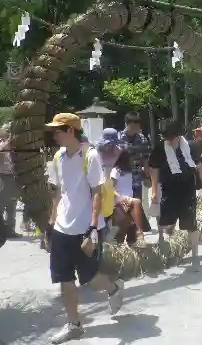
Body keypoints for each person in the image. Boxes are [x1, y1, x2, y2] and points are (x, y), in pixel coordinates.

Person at [45, 113, 124, 344]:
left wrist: (92, 226)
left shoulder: (90, 156)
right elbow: (58, 192)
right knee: (64, 278)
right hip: (62, 228)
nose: (54, 135)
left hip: (85, 227)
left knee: (89, 278)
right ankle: (74, 325)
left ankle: (113, 288)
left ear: (70, 131)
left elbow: (97, 193)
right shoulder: (57, 157)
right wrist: (51, 223)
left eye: (57, 131)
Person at [149, 120, 202, 271]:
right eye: (166, 137)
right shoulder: (160, 148)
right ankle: (169, 248)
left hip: (188, 190)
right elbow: (154, 169)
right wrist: (154, 190)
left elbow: (200, 165)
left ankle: (195, 257)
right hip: (168, 189)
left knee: (191, 225)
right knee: (166, 225)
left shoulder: (191, 146)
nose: (168, 139)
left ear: (177, 135)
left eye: (171, 136)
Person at [111, 149, 151, 245]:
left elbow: (148, 180)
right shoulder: (116, 171)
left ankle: (121, 240)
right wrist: (120, 198)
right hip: (118, 198)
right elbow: (111, 189)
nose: (133, 160)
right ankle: (139, 232)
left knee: (128, 222)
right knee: (137, 202)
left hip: (128, 199)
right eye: (131, 158)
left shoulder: (131, 172)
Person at [0, 123, 19, 237]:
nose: (9, 134)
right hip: (2, 178)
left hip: (13, 178)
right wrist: (8, 141)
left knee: (12, 205)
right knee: (0, 205)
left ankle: (10, 230)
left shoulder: (15, 148)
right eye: (7, 131)